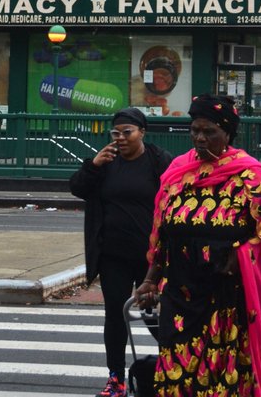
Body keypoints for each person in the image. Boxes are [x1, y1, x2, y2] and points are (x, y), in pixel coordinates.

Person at [134, 94, 261, 397]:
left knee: (222, 383)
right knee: (176, 381)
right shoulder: (178, 173)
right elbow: (164, 234)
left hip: (226, 303)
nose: (200, 138)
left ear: (228, 134)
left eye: (210, 132)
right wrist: (150, 280)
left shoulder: (250, 176)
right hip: (180, 297)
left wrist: (242, 254)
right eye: (195, 130)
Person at [70, 107, 172, 397]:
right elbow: (77, 188)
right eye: (116, 133)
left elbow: (178, 191)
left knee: (155, 315)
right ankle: (115, 378)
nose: (121, 138)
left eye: (128, 132)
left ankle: (176, 367)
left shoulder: (157, 160)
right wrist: (94, 165)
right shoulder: (106, 163)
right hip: (113, 256)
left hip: (150, 258)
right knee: (115, 315)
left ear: (142, 132)